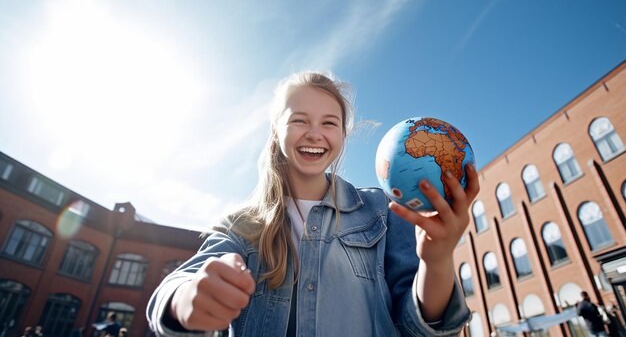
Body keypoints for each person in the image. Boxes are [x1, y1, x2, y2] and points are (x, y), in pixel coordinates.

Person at [147, 71, 479, 336]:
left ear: (342, 136)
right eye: (299, 120)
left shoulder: (383, 211)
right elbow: (176, 287)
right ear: (277, 131)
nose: (315, 133)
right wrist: (186, 298)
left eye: (329, 123)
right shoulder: (241, 225)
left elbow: (417, 326)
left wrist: (436, 261)